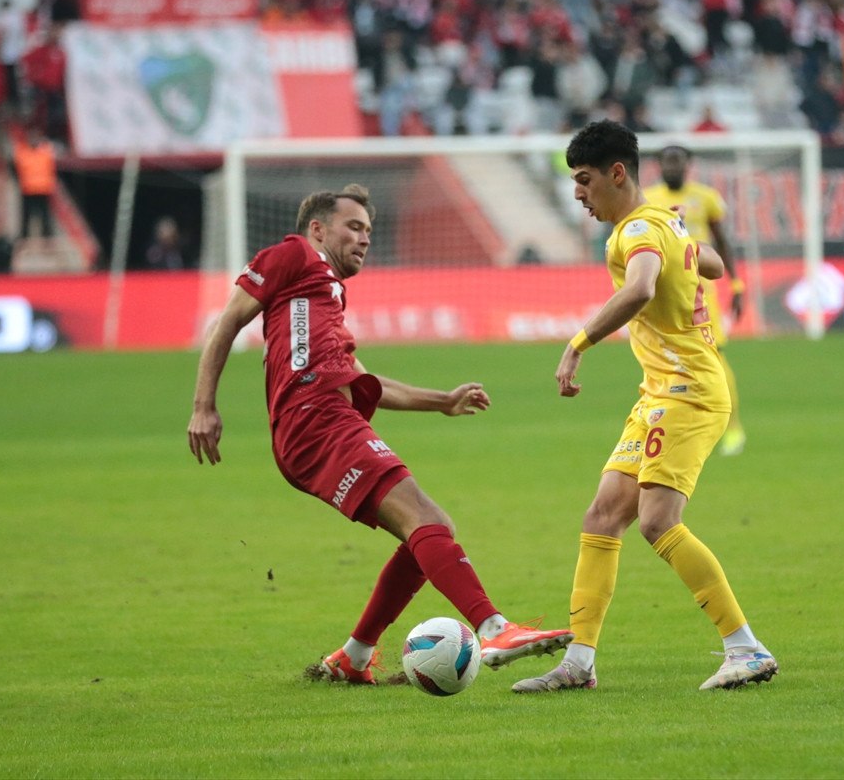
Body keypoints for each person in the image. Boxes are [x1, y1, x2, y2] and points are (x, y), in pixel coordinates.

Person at [187, 184, 572, 685]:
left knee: (429, 533)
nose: (364, 238)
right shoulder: (291, 254)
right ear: (318, 229)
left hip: (324, 422)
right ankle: (494, 628)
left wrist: (443, 401)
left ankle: (354, 656)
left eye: (369, 230)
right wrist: (203, 406)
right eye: (353, 227)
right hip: (315, 421)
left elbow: (367, 382)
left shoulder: (326, 295)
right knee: (427, 520)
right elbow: (228, 321)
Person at [512, 121, 777, 693]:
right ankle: (578, 664)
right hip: (661, 391)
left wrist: (576, 344)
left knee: (657, 521)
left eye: (584, 181)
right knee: (604, 516)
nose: (578, 194)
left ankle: (746, 649)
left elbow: (639, 290)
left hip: (688, 391)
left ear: (616, 174)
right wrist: (682, 247)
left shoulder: (637, 230)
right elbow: (712, 264)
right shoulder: (664, 221)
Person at [643, 145, 747, 455]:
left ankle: (732, 428)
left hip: (702, 292)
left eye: (678, 161)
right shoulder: (648, 199)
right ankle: (675, 427)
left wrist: (738, 284)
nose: (672, 167)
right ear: (658, 166)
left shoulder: (705, 197)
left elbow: (722, 242)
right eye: (667, 162)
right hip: (665, 293)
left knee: (716, 357)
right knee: (662, 359)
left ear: (689, 165)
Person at [12, 126, 57, 241]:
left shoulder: (43, 152)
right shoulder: (26, 152)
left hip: (42, 188)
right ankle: (26, 236)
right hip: (29, 188)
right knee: (27, 215)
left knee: (44, 215)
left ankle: (46, 235)